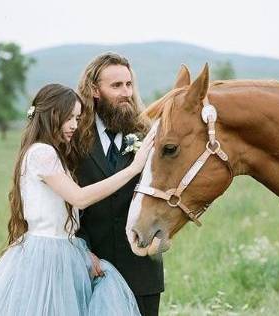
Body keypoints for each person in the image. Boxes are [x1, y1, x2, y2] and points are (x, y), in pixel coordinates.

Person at [0, 83, 155, 315]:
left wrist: (81, 251)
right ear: (51, 115)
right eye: (68, 118)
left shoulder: (51, 153)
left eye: (78, 118)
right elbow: (79, 198)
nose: (74, 125)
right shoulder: (42, 153)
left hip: (65, 248)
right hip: (47, 255)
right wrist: (133, 169)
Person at [73, 52, 164, 316]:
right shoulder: (74, 138)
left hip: (142, 267)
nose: (126, 93)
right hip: (92, 266)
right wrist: (82, 251)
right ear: (94, 90)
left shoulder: (148, 134)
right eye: (116, 86)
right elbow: (64, 202)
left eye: (129, 84)